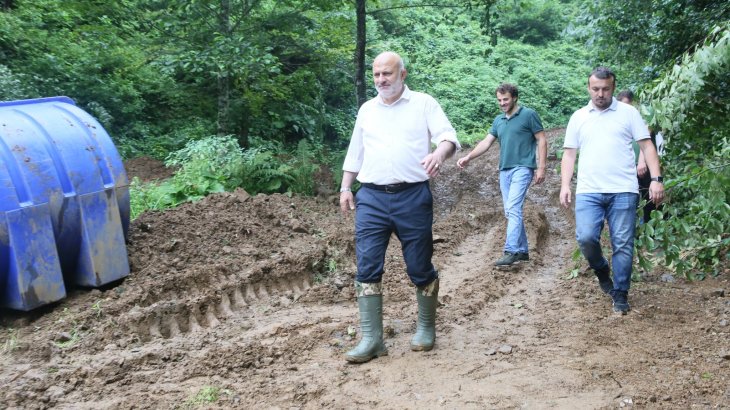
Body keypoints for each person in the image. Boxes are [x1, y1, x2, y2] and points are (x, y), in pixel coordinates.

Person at [339, 51, 460, 363]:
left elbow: (448, 137)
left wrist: (439, 154)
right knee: (367, 265)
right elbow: (356, 152)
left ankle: (426, 327)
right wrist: (345, 187)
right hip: (371, 198)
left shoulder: (423, 103)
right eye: (377, 74)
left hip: (412, 197)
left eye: (387, 74)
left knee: (419, 266)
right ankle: (372, 339)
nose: (381, 80)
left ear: (402, 74)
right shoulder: (367, 110)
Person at [560, 67, 664, 315]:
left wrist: (656, 179)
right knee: (585, 237)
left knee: (623, 243)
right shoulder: (578, 117)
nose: (600, 94)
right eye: (595, 89)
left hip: (623, 190)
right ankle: (600, 269)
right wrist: (565, 184)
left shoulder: (629, 113)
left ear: (613, 88)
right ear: (588, 88)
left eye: (605, 89)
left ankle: (620, 292)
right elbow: (569, 153)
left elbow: (647, 147)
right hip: (588, 190)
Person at [456, 83, 547, 267]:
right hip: (504, 170)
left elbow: (541, 139)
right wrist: (469, 157)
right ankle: (522, 251)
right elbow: (486, 142)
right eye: (499, 100)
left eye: (505, 99)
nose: (502, 103)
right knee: (510, 211)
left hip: (523, 168)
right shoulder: (499, 120)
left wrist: (541, 168)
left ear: (514, 98)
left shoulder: (528, 115)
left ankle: (511, 250)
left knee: (513, 208)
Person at [617, 90, 662, 224]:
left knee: (649, 197)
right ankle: (637, 230)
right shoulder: (619, 116)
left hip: (645, 163)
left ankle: (651, 228)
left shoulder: (644, 113)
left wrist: (642, 161)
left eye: (627, 104)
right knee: (632, 198)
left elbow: (646, 138)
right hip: (628, 164)